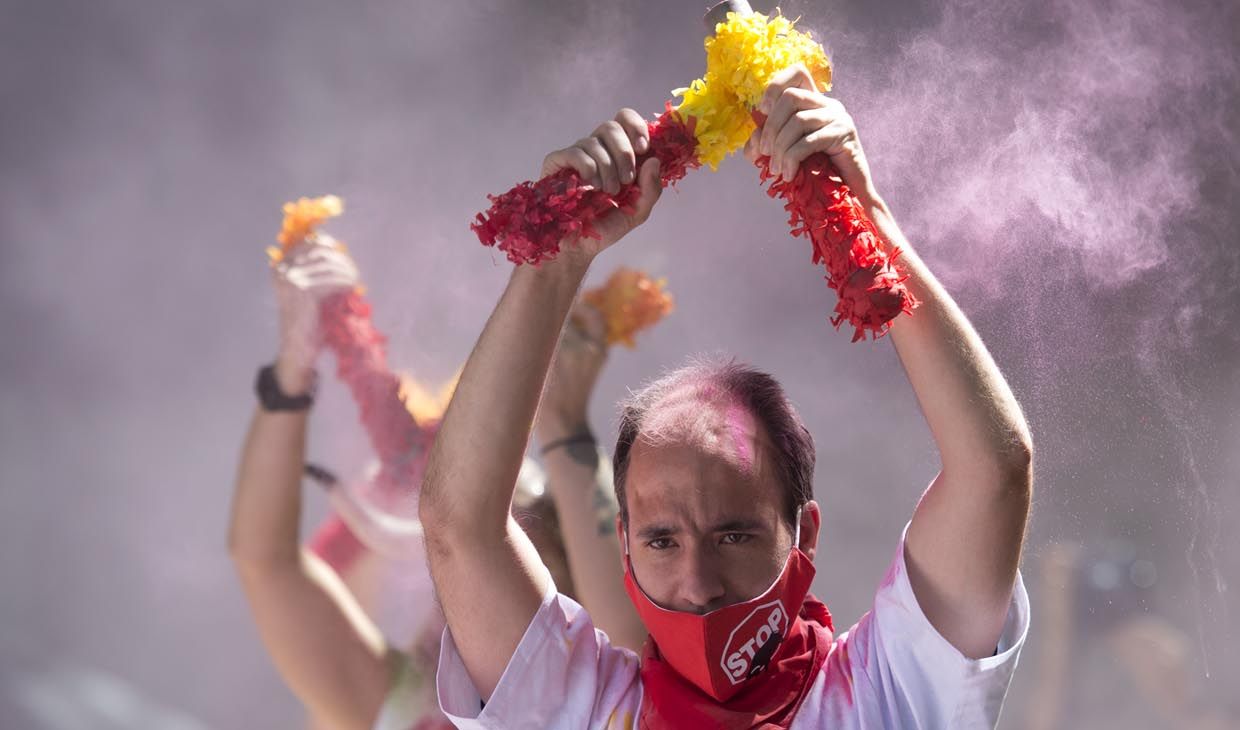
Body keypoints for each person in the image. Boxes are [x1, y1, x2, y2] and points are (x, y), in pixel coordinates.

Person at [419, 64, 1034, 729]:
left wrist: (864, 220)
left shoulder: (885, 693)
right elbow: (461, 526)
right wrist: (554, 264)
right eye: (661, 541)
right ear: (622, 543)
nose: (699, 584)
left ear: (805, 534)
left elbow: (992, 472)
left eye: (734, 534)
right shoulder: (588, 710)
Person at [227, 237, 645, 730]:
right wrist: (293, 365)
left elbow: (630, 645)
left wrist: (564, 425)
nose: (466, 576)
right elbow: (266, 559)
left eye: (508, 559)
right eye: (457, 559)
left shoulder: (606, 708)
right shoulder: (405, 708)